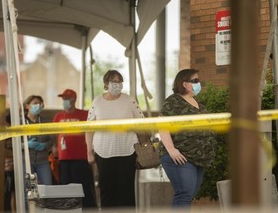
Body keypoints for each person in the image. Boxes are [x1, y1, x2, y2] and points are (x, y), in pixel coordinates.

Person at [158, 69, 217, 209]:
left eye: (198, 80)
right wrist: (172, 150)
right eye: (195, 81)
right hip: (180, 156)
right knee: (184, 194)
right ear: (184, 84)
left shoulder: (197, 103)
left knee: (189, 195)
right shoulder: (174, 101)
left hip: (198, 158)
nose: (198, 83)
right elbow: (162, 125)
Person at [86, 70, 145, 209]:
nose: (117, 84)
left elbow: (142, 124)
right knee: (107, 190)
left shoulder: (130, 100)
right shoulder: (97, 101)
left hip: (127, 151)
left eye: (119, 81)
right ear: (106, 83)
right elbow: (89, 127)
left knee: (126, 192)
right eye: (114, 81)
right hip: (103, 152)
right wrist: (89, 151)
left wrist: (143, 147)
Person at [53, 89, 97, 208]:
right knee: (66, 188)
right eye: (63, 98)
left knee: (85, 187)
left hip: (81, 158)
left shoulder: (84, 115)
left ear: (74, 99)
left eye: (67, 98)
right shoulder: (58, 116)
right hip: (64, 159)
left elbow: (91, 132)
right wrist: (55, 148)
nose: (64, 101)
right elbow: (54, 134)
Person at [23, 95, 54, 185]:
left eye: (40, 104)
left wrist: (44, 145)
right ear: (27, 106)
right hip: (26, 162)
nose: (38, 105)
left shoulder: (45, 122)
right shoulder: (21, 122)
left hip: (43, 162)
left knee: (47, 187)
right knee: (27, 190)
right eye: (35, 103)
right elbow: (12, 143)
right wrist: (25, 145)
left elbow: (51, 141)